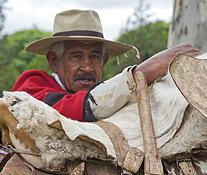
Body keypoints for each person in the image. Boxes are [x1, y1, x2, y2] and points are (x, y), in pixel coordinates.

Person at [11, 9, 202, 124]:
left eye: (95, 57)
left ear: (104, 61)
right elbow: (59, 111)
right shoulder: (31, 86)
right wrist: (140, 74)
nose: (87, 67)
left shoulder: (114, 97)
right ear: (54, 61)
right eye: (76, 56)